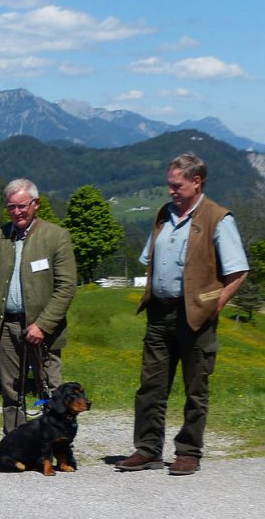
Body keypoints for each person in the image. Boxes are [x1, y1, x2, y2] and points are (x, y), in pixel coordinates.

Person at [116, 152, 248, 476]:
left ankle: (188, 452)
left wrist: (214, 306)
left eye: (176, 185)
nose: (171, 191)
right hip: (160, 314)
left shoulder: (218, 218)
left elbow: (238, 272)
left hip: (196, 317)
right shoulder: (164, 214)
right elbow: (150, 257)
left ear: (196, 182)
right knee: (151, 387)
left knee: (195, 388)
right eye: (169, 185)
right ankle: (147, 450)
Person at [0, 178, 77, 435]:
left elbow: (66, 287)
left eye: (22, 206)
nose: (17, 212)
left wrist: (43, 325)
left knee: (50, 388)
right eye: (11, 207)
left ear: (36, 204)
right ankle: (17, 444)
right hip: (6, 326)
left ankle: (57, 445)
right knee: (10, 390)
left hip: (44, 331)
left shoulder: (56, 236)